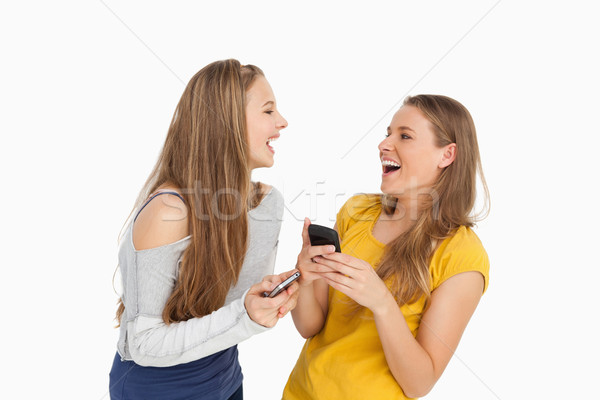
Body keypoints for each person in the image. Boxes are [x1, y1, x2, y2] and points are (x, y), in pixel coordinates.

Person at [109, 59, 298, 400]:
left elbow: (235, 308)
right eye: (268, 111)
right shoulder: (168, 211)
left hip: (225, 378)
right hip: (157, 390)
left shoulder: (265, 204)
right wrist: (246, 314)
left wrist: (299, 277)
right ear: (227, 123)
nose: (282, 122)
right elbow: (144, 344)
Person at [284, 94, 490, 399]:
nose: (384, 144)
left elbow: (419, 383)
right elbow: (310, 326)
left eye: (404, 136)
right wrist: (306, 276)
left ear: (447, 155)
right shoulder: (356, 211)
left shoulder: (462, 255)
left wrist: (381, 301)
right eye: (388, 133)